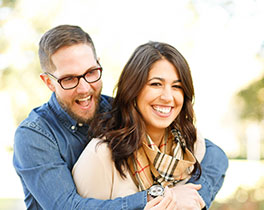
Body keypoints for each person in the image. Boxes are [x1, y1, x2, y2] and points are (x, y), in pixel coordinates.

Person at [13, 25, 228, 210]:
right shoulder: (34, 135)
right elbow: (68, 207)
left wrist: (193, 199)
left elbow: (215, 155)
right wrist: (160, 196)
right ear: (49, 82)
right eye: (69, 79)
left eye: (91, 73)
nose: (85, 88)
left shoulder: (119, 110)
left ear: (99, 64)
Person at [72, 41, 227, 209]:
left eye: (177, 86)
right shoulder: (100, 156)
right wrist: (169, 198)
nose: (168, 97)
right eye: (156, 84)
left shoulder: (191, 145)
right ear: (133, 89)